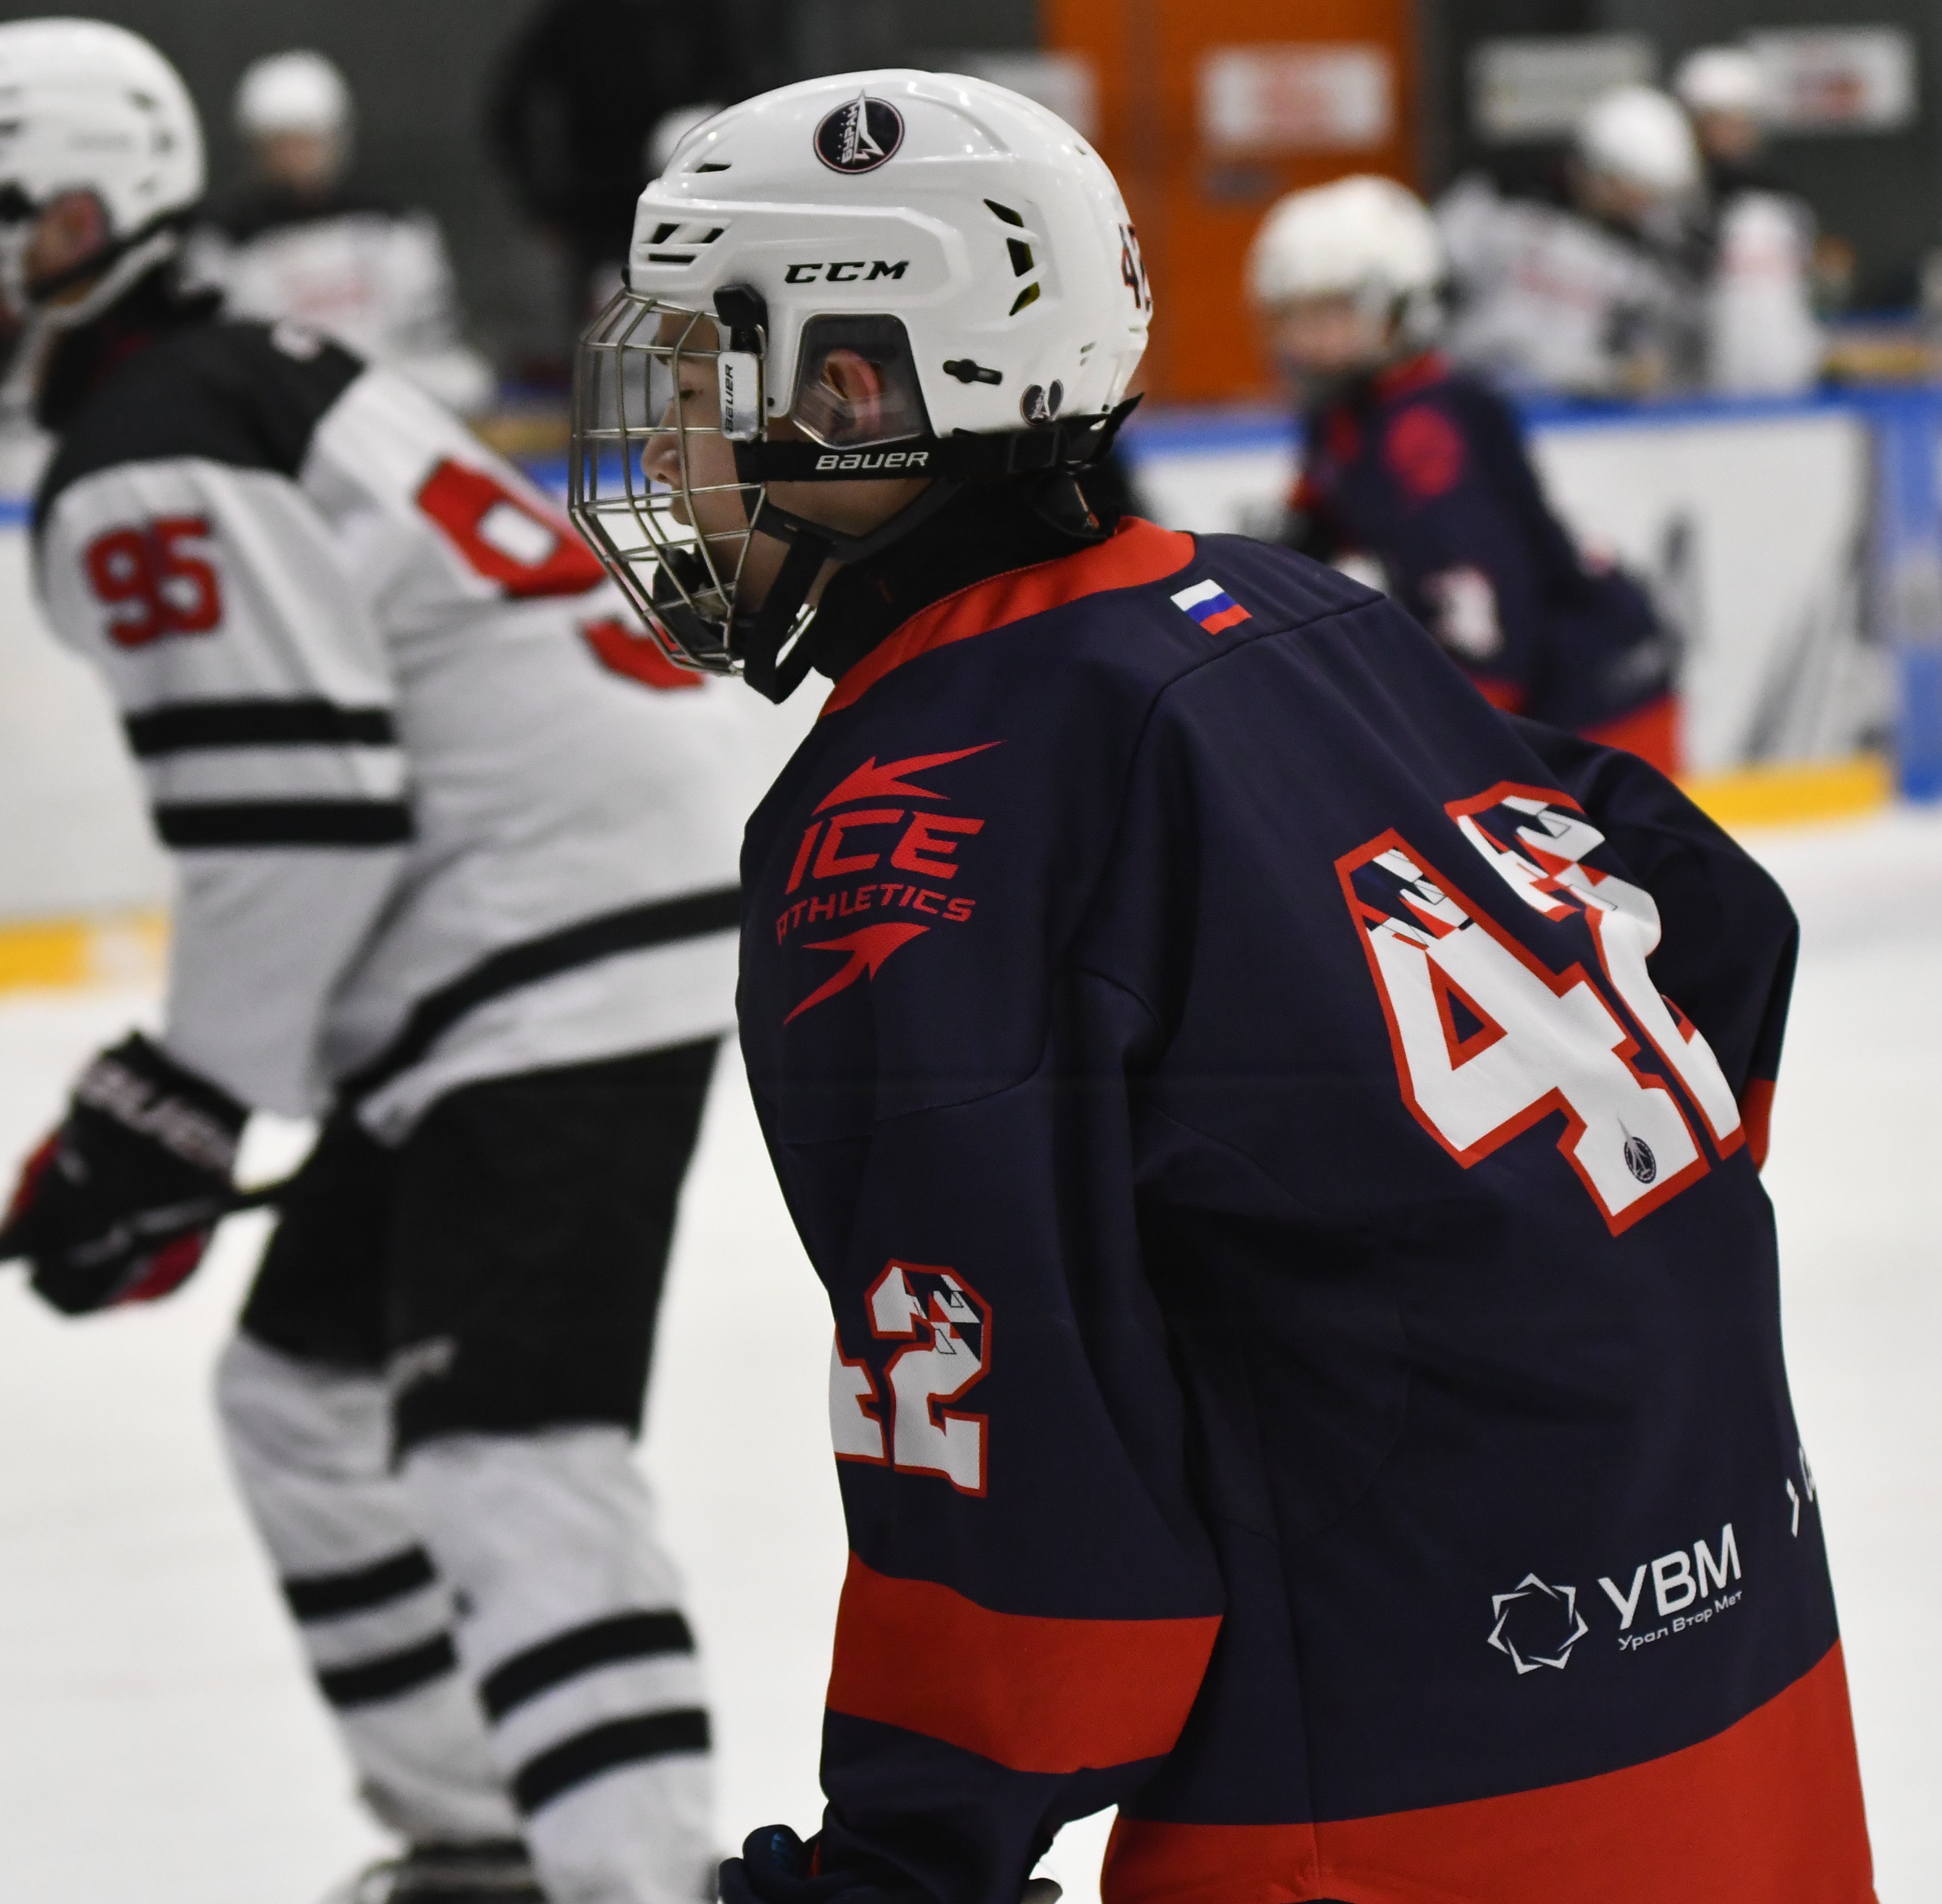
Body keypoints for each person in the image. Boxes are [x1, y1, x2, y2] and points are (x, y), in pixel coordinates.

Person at [569, 68, 1875, 1904]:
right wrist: (1548, 1263)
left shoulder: (915, 806)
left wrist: (916, 1849)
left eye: (712, 383)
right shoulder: (1290, 610)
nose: (678, 453)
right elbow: (1710, 917)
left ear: (858, 395)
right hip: (1746, 1666)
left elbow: (991, 1384)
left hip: (1397, 1781)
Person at [0, 22, 744, 1904]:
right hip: (538, 932)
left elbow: (304, 813)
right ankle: (488, 1834)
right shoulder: (235, 374)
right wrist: (174, 1106)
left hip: (544, 948)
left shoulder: (152, 443)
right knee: (305, 1393)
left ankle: (641, 1877)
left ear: (83, 222)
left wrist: (171, 1109)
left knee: (510, 1444)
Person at [1250, 175, 1681, 774]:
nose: (1303, 339)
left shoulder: (1423, 433)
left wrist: (1450, 760)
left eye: (1330, 312)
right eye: (1290, 315)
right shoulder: (1347, 415)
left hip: (1593, 696)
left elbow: (1485, 615)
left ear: (1402, 307)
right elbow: (1311, 537)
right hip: (1543, 680)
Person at [191, 49, 496, 417]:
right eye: (279, 146)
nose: (293, 161)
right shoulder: (224, 246)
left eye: (305, 143)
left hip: (389, 394)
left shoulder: (392, 230)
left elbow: (431, 339)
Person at [486, 0, 748, 347]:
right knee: (607, 337)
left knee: (699, 331)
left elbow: (741, 91)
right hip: (601, 216)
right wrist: (543, 204)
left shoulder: (699, 14)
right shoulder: (578, 18)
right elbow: (510, 111)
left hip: (692, 210)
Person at [1439, 84, 1703, 397]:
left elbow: (1645, 354)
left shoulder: (1645, 258)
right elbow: (1436, 278)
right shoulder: (1499, 204)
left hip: (1575, 422)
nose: (1643, 207)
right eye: (1636, 190)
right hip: (1470, 397)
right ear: (1603, 172)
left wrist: (1621, 375)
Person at [1673, 47, 1828, 396]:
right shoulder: (1674, 210)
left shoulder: (1783, 207)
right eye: (1719, 121)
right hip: (1703, 397)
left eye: (1742, 121)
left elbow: (1799, 303)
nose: (1734, 134)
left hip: (1791, 393)